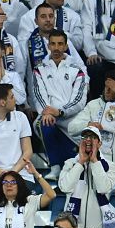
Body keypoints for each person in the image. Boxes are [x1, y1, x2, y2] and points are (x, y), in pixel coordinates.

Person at [33, 29, 87, 181]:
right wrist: (48, 112)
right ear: (48, 45)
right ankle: (54, 167)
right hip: (50, 117)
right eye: (53, 44)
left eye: (60, 44)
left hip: (71, 119)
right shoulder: (39, 69)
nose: (56, 48)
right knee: (42, 122)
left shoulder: (77, 69)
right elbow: (39, 95)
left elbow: (79, 100)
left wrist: (60, 112)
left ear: (65, 46)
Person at [59, 126, 115, 228]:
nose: (88, 139)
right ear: (80, 142)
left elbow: (103, 188)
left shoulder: (111, 166)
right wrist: (80, 163)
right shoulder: (70, 163)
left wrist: (94, 161)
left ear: (99, 144)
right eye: (85, 137)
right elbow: (65, 187)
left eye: (93, 137)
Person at [18, 0, 83, 51]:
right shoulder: (28, 17)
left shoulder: (73, 16)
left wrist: (60, 34)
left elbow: (79, 44)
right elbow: (23, 47)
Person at [68, 70, 115, 161]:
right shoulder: (93, 105)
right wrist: (88, 125)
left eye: (112, 89)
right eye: (106, 87)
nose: (107, 91)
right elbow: (71, 128)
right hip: (96, 162)